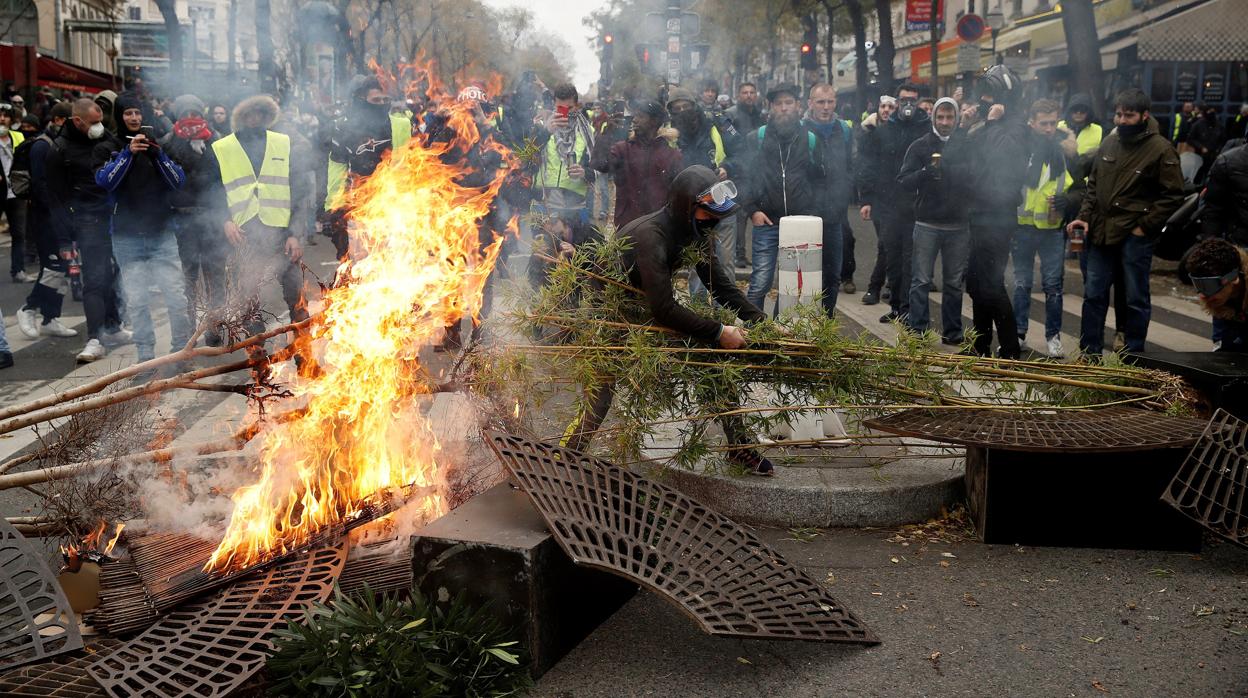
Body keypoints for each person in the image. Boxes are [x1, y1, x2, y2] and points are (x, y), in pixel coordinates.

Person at [561, 165, 774, 476]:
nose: (714, 223)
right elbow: (663, 309)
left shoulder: (695, 231)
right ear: (686, 205)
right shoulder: (651, 236)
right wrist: (718, 331)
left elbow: (719, 284)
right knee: (601, 394)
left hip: (647, 307)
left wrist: (759, 320)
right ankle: (565, 454)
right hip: (610, 315)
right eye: (709, 214)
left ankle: (739, 446)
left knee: (709, 360)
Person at [1068, 88, 1185, 357]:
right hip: (1100, 233)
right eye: (1118, 114)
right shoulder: (1109, 143)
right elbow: (1093, 185)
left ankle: (1133, 356)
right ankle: (1090, 353)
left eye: (1128, 115)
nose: (1121, 120)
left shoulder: (1160, 149)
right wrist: (1083, 218)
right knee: (1094, 294)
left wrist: (1144, 226)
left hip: (1134, 235)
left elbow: (1173, 195)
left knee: (1135, 298)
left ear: (1144, 116)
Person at [204, 95, 312, 347]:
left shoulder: (283, 143)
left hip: (281, 234)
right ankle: (258, 359)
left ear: (267, 116)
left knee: (296, 294)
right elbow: (213, 189)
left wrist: (295, 233)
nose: (255, 119)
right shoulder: (223, 147)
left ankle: (304, 352)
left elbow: (299, 191)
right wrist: (225, 221)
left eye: (260, 114)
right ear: (239, 118)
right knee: (248, 300)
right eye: (249, 114)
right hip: (245, 235)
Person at [93, 91, 190, 364]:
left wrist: (158, 156)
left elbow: (178, 181)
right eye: (128, 113)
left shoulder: (157, 146)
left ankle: (181, 352)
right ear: (119, 116)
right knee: (137, 301)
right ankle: (146, 356)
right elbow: (105, 181)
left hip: (162, 235)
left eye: (137, 113)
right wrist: (127, 154)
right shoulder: (107, 147)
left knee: (176, 297)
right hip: (126, 238)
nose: (134, 118)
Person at [47, 98, 130, 362]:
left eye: (101, 121)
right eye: (93, 123)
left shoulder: (108, 141)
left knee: (115, 274)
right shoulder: (59, 149)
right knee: (94, 279)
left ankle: (114, 326)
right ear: (77, 120)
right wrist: (65, 236)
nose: (98, 127)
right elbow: (56, 196)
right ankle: (95, 338)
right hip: (86, 222)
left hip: (114, 219)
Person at [735, 83, 826, 314]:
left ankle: (780, 330)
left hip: (799, 223)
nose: (784, 108)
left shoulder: (811, 139)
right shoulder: (757, 138)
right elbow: (744, 178)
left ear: (798, 106)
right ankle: (754, 333)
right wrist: (752, 210)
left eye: (788, 103)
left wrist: (812, 212)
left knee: (791, 285)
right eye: (778, 104)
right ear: (770, 107)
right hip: (766, 221)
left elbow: (820, 179)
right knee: (760, 283)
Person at [965, 65, 1030, 359]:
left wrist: (991, 124)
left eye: (991, 95)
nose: (986, 100)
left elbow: (1002, 158)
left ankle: (1010, 349)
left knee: (991, 283)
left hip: (998, 216)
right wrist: (966, 126)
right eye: (984, 95)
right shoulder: (987, 122)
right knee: (976, 282)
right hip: (978, 213)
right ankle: (980, 345)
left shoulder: (1015, 125)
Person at [898, 97, 971, 345]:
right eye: (940, 117)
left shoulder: (966, 144)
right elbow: (903, 181)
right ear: (933, 118)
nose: (945, 122)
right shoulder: (920, 145)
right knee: (921, 280)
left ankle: (952, 331)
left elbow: (978, 179)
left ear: (957, 118)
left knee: (953, 283)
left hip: (959, 225)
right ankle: (918, 330)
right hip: (927, 223)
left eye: (950, 117)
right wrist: (924, 173)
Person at [857, 83, 928, 323]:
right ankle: (896, 306)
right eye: (904, 99)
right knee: (892, 257)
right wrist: (867, 198)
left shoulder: (925, 128)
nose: (908, 105)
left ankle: (909, 309)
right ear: (898, 101)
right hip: (888, 204)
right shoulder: (885, 130)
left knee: (911, 259)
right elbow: (869, 166)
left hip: (916, 205)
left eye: (913, 100)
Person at [1011, 99, 1074, 358]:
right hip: (1023, 227)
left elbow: (1079, 187)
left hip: (1051, 228)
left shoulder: (1064, 152)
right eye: (1043, 123)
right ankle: (1019, 333)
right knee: (1022, 283)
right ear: (1032, 123)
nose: (1049, 129)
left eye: (1052, 123)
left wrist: (1067, 201)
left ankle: (1053, 336)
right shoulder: (1021, 150)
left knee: (1053, 286)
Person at [324, 75, 413, 259]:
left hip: (393, 206)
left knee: (393, 262)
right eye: (376, 100)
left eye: (385, 100)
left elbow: (415, 162)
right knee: (363, 263)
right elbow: (337, 169)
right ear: (363, 100)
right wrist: (333, 207)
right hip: (360, 205)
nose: (381, 104)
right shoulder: (345, 129)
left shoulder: (401, 124)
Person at [162, 94, 227, 345]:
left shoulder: (217, 140)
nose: (191, 119)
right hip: (182, 219)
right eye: (186, 114)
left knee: (215, 275)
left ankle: (215, 327)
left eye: (196, 114)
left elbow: (225, 179)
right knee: (187, 279)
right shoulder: (168, 142)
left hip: (213, 217)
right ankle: (189, 330)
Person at [664, 87, 738, 296]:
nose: (682, 111)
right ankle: (700, 317)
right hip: (690, 206)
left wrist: (728, 167)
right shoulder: (669, 134)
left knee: (725, 262)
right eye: (676, 109)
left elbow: (741, 151)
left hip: (720, 199)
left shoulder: (718, 124)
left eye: (685, 106)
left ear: (694, 106)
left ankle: (727, 312)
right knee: (697, 262)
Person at [15, 102, 77, 339]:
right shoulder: (42, 146)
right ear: (60, 120)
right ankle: (28, 308)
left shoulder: (61, 144)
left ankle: (51, 318)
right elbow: (42, 188)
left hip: (61, 216)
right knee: (53, 268)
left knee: (63, 270)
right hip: (46, 218)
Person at [591, 99, 681, 228]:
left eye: (641, 116)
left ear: (654, 121)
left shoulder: (672, 155)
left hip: (658, 231)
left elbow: (677, 195)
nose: (634, 120)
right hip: (627, 229)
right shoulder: (623, 149)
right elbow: (599, 164)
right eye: (635, 115)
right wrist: (606, 134)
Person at [804, 83, 853, 315]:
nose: (826, 107)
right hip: (807, 214)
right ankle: (804, 322)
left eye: (830, 102)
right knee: (806, 272)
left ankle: (826, 321)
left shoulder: (843, 130)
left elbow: (850, 166)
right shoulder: (801, 130)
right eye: (820, 102)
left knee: (833, 273)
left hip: (835, 214)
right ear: (810, 103)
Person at [532, 82, 595, 223]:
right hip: (544, 203)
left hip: (575, 205)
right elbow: (527, 157)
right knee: (543, 245)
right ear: (554, 104)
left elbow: (600, 169)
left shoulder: (588, 131)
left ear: (577, 106)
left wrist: (584, 172)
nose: (565, 112)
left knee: (573, 245)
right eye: (560, 108)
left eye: (569, 108)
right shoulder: (541, 125)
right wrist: (546, 132)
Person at [855, 95, 897, 306]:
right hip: (879, 198)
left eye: (891, 106)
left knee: (889, 244)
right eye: (883, 106)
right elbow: (865, 169)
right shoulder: (868, 134)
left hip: (898, 197)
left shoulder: (901, 131)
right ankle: (878, 286)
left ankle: (883, 286)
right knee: (886, 243)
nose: (886, 110)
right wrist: (866, 200)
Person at [724, 82, 763, 269]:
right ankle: (739, 254)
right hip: (738, 169)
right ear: (738, 95)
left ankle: (755, 254)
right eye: (745, 92)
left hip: (756, 169)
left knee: (754, 211)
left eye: (752, 92)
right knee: (740, 213)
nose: (749, 95)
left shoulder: (759, 114)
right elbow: (728, 141)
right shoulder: (731, 114)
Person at [1185, 237, 1248, 351]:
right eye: (1198, 285)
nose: (1203, 295)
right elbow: (1222, 345)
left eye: (1210, 286)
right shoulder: (1218, 300)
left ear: (1233, 278)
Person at [0, 103, 30, 282]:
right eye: (0, 115)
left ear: (12, 119)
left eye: (6, 115)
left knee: (19, 234)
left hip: (16, 193)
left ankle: (18, 270)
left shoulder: (18, 136)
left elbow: (25, 161)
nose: (2, 118)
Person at [1203, 140, 1248, 246]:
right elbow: (1213, 210)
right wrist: (1211, 246)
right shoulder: (1227, 162)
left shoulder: (1227, 161)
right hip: (1237, 244)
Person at [1188, 105, 1226, 183]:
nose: (1211, 114)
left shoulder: (1219, 126)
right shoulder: (1198, 125)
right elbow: (1190, 139)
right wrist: (1201, 147)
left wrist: (1218, 149)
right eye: (1209, 112)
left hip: (1214, 158)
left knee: (1212, 179)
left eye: (1212, 112)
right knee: (1197, 177)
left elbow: (1223, 140)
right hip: (1199, 157)